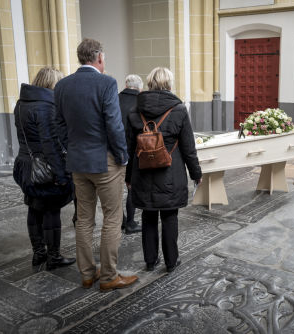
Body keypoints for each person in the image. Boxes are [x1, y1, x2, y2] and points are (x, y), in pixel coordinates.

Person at [55, 38, 138, 292]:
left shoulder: (62, 85)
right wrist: (123, 156)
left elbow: (58, 125)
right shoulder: (106, 83)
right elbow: (114, 125)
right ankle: (109, 276)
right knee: (112, 218)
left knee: (83, 219)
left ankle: (88, 274)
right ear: (99, 58)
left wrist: (71, 149)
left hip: (78, 163)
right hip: (105, 163)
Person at [126, 67, 202, 273]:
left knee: (148, 215)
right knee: (169, 216)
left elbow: (130, 148)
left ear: (149, 84)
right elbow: (188, 147)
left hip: (142, 173)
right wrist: (196, 174)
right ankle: (171, 261)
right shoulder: (178, 110)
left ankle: (150, 261)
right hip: (171, 173)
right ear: (169, 84)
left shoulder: (135, 111)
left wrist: (128, 177)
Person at [12, 67, 76, 271]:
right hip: (43, 167)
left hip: (25, 165)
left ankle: (39, 253)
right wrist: (61, 174)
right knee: (50, 210)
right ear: (53, 84)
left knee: (33, 206)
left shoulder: (21, 104)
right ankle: (53, 257)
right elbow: (50, 145)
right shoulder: (46, 107)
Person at [118, 74, 143, 234]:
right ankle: (131, 222)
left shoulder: (114, 99)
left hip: (115, 150)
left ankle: (121, 220)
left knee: (115, 190)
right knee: (131, 187)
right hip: (134, 150)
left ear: (126, 85)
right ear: (140, 87)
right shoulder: (141, 102)